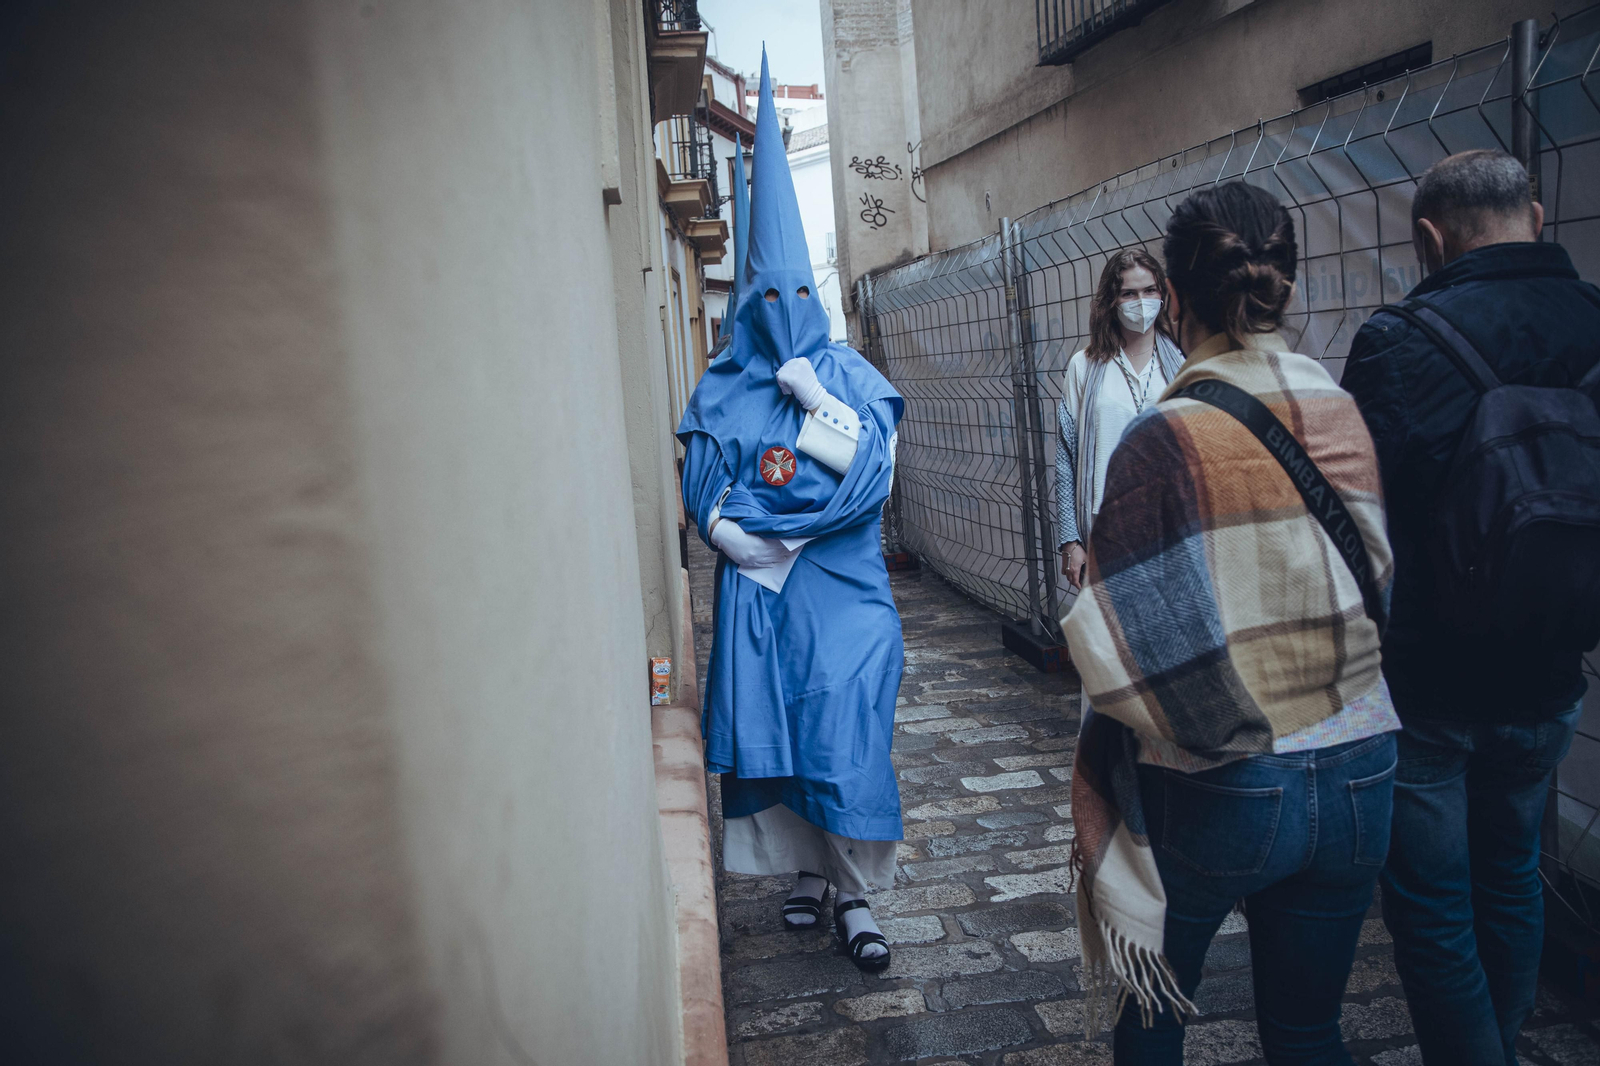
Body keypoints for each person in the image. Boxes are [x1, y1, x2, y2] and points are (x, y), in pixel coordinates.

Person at [1064, 181, 1399, 1065]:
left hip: (1217, 777)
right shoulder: (1336, 406)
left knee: (1156, 1013)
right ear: (1282, 279)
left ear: (1172, 298)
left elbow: (1119, 639)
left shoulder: (1161, 435)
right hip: (1363, 756)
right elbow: (1377, 576)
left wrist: (1221, 721)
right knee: (1307, 1031)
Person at [1341, 148, 1600, 1066]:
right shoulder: (1594, 320)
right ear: (1536, 216)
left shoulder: (1397, 342)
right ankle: (1506, 1039)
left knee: (1434, 904)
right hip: (1552, 670)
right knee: (1515, 876)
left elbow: (1358, 518)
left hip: (1431, 684)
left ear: (1428, 239)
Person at [676, 53, 906, 973]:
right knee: (782, 743)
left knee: (848, 733)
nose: (785, 310)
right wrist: (740, 528)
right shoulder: (720, 385)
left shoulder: (849, 376)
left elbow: (866, 484)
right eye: (768, 296)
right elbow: (706, 495)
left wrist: (817, 407)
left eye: (799, 293)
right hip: (763, 609)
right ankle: (806, 880)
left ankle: (856, 894)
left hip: (849, 601)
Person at [1055, 248, 1183, 589]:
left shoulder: (1185, 363)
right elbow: (1066, 457)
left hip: (1173, 530)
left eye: (1149, 291)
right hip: (1105, 532)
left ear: (1163, 294)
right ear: (1111, 300)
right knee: (1111, 639)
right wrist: (1070, 540)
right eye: (1129, 293)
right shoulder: (1083, 366)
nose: (1141, 302)